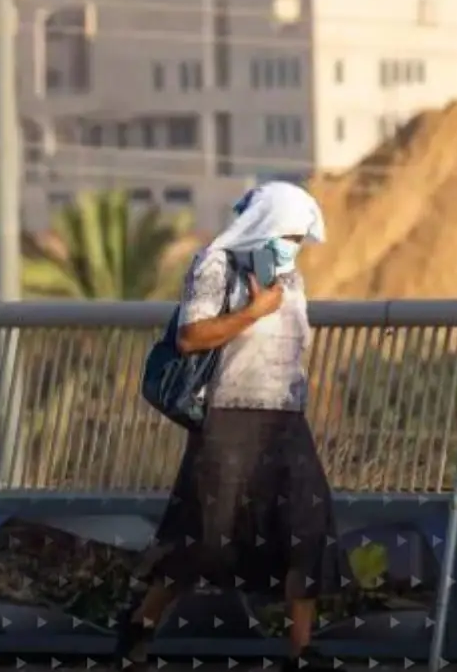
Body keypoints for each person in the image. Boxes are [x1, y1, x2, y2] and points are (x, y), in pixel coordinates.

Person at [115, 181, 339, 669]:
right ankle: (141, 623)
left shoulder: (291, 279)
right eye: (290, 236)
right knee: (205, 538)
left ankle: (301, 650)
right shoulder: (215, 264)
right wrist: (252, 313)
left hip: (285, 417)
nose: (293, 248)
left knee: (309, 522)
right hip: (228, 416)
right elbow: (192, 337)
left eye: (300, 241)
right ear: (265, 225)